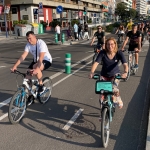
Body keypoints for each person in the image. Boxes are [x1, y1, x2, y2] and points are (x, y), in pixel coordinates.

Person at [11, 31, 52, 105]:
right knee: (27, 76)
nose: (29, 41)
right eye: (27, 39)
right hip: (36, 61)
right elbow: (23, 56)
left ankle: (41, 85)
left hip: (46, 60)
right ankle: (31, 96)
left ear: (34, 37)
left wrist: (37, 69)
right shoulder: (28, 45)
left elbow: (41, 58)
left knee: (35, 67)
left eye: (30, 38)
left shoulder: (41, 43)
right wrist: (15, 66)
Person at [89, 37, 128, 111]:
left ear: (115, 44)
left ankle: (118, 99)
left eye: (112, 44)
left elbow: (125, 64)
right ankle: (102, 112)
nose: (110, 46)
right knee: (101, 94)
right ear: (106, 45)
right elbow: (96, 63)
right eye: (108, 44)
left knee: (114, 89)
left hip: (115, 75)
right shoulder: (102, 53)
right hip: (104, 75)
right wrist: (92, 72)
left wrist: (125, 72)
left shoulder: (119, 53)